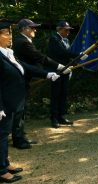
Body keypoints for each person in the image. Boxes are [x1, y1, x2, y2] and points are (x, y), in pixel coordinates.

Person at [0, 22, 59, 183]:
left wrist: (47, 74)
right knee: (2, 136)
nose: (10, 36)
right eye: (5, 33)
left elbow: (25, 67)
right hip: (4, 104)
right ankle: (1, 171)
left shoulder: (8, 53)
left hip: (13, 101)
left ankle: (5, 163)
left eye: (10, 33)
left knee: (4, 135)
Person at [11, 18, 66, 149]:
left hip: (23, 79)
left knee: (21, 110)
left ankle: (21, 136)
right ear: (24, 29)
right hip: (19, 80)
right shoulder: (22, 42)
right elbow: (39, 57)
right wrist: (57, 66)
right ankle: (18, 140)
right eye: (32, 27)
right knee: (19, 110)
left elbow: (35, 60)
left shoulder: (23, 41)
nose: (35, 30)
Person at [47, 20, 86, 128]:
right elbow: (61, 52)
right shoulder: (54, 39)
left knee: (63, 93)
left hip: (65, 70)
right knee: (55, 94)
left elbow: (66, 55)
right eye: (66, 30)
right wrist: (77, 55)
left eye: (69, 30)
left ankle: (61, 116)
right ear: (59, 29)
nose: (68, 32)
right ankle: (54, 118)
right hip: (56, 70)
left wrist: (75, 61)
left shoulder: (66, 40)